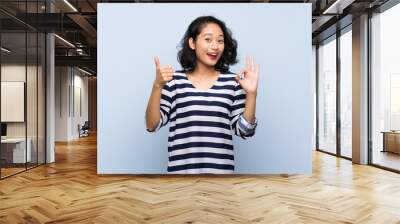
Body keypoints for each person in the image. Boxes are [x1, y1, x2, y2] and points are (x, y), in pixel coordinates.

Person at [145, 15, 259, 174]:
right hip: (180, 178)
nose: (215, 46)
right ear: (192, 43)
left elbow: (244, 130)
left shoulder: (233, 82)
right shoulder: (174, 81)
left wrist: (252, 94)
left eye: (220, 41)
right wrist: (157, 85)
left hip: (221, 178)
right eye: (208, 39)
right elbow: (152, 125)